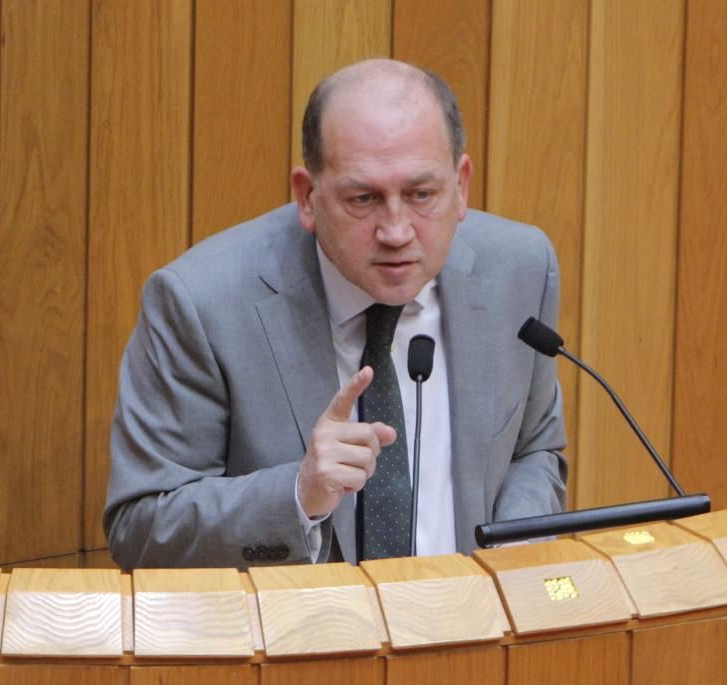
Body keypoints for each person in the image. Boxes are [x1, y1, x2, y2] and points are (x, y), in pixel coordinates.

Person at [104, 59, 567, 570]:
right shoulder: (202, 303)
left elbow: (534, 450)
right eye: (364, 199)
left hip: (468, 633)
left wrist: (508, 563)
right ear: (308, 196)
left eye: (421, 195)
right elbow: (141, 529)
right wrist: (297, 496)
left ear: (461, 184)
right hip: (292, 640)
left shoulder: (519, 270)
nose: (396, 231)